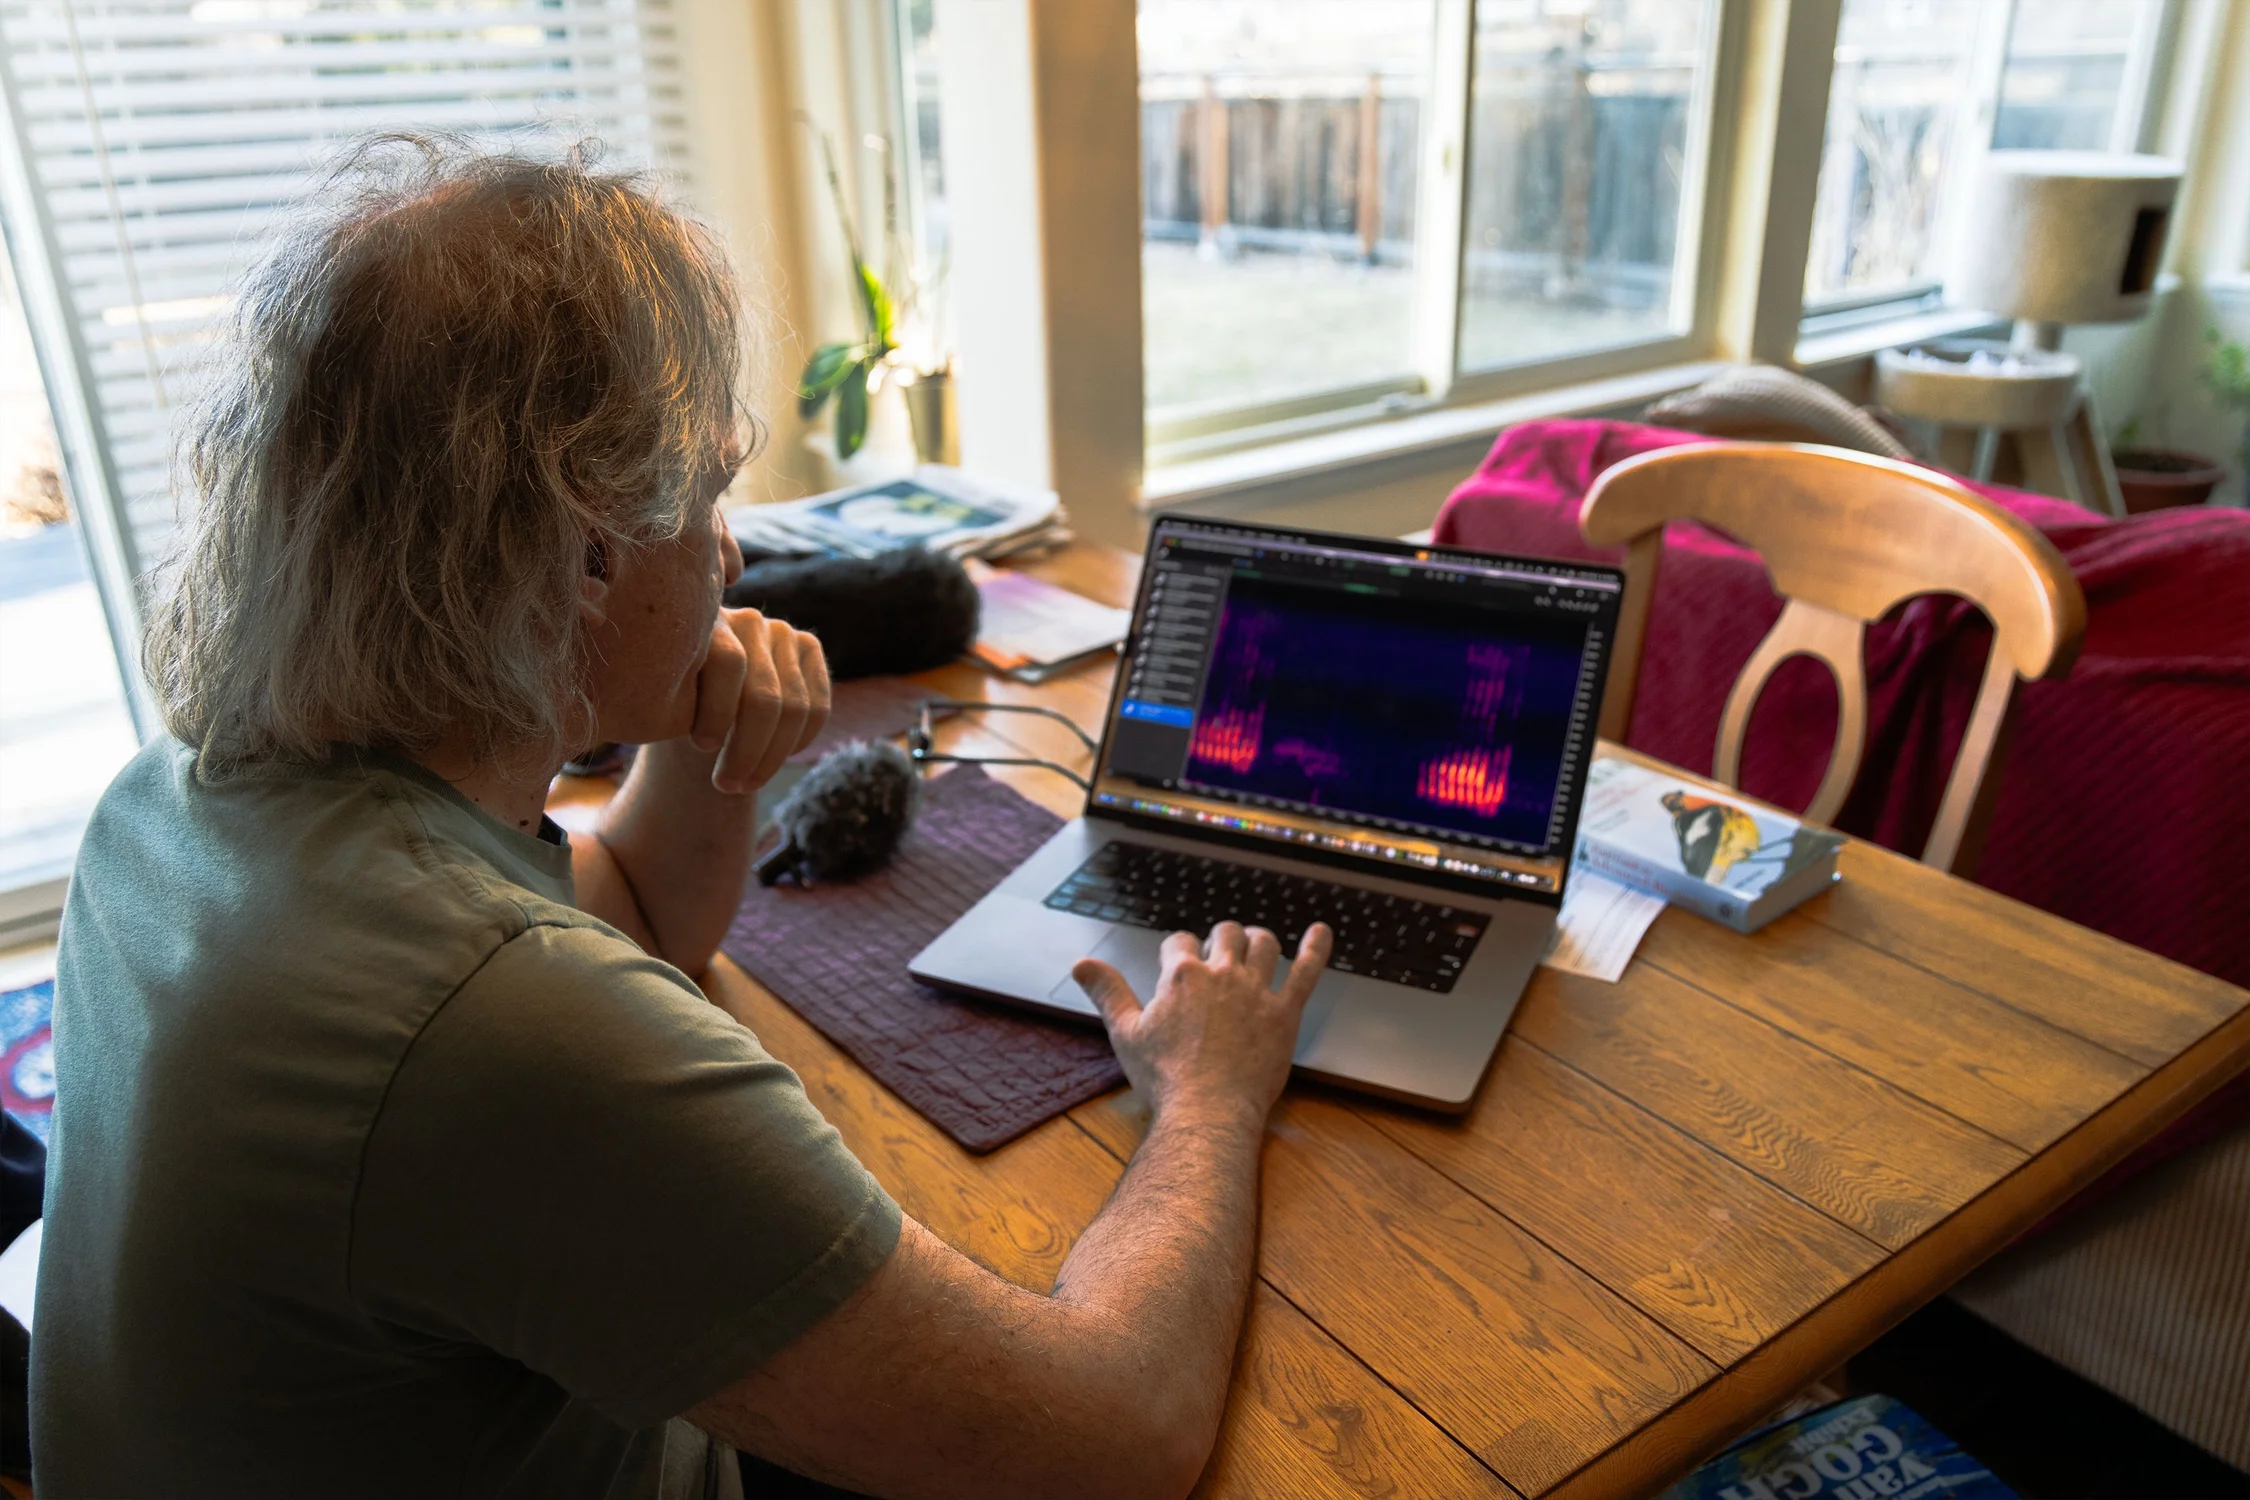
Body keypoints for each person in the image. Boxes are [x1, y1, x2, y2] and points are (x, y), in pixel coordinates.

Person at [33, 138, 1332, 1500]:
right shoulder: (495, 1024)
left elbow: (648, 925)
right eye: (709, 491)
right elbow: (1109, 1440)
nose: (729, 549)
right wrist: (1206, 1094)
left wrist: (715, 751)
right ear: (586, 550)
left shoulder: (181, 796)